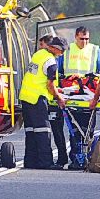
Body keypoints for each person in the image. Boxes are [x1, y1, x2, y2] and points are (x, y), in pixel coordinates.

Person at [58, 26, 100, 169]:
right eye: (81, 39)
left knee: (88, 129)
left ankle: (88, 157)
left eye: (87, 39)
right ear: (76, 37)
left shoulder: (95, 50)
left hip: (89, 94)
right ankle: (75, 158)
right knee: (74, 130)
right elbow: (59, 71)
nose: (84, 42)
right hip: (71, 94)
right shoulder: (67, 50)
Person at [19, 36, 68, 169]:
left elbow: (37, 76)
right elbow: (49, 85)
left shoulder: (38, 54)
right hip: (37, 99)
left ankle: (30, 161)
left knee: (31, 131)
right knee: (43, 131)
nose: (61, 54)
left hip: (26, 96)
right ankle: (46, 163)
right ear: (55, 48)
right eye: (61, 51)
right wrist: (59, 98)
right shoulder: (50, 61)